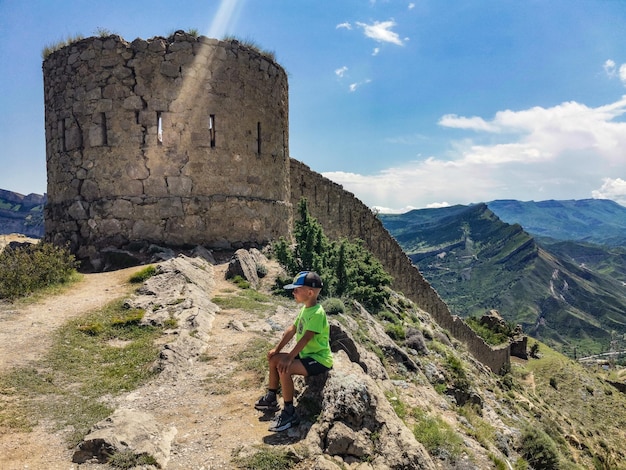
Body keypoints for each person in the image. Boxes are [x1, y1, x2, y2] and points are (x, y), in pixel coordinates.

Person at [255, 271, 333, 432]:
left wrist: (290, 358)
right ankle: (271, 397)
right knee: (274, 360)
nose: (293, 292)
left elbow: (306, 338)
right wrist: (277, 350)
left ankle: (289, 411)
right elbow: (292, 329)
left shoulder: (318, 313)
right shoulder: (306, 309)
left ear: (310, 292)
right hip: (306, 355)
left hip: (319, 359)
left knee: (285, 367)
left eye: (297, 289)